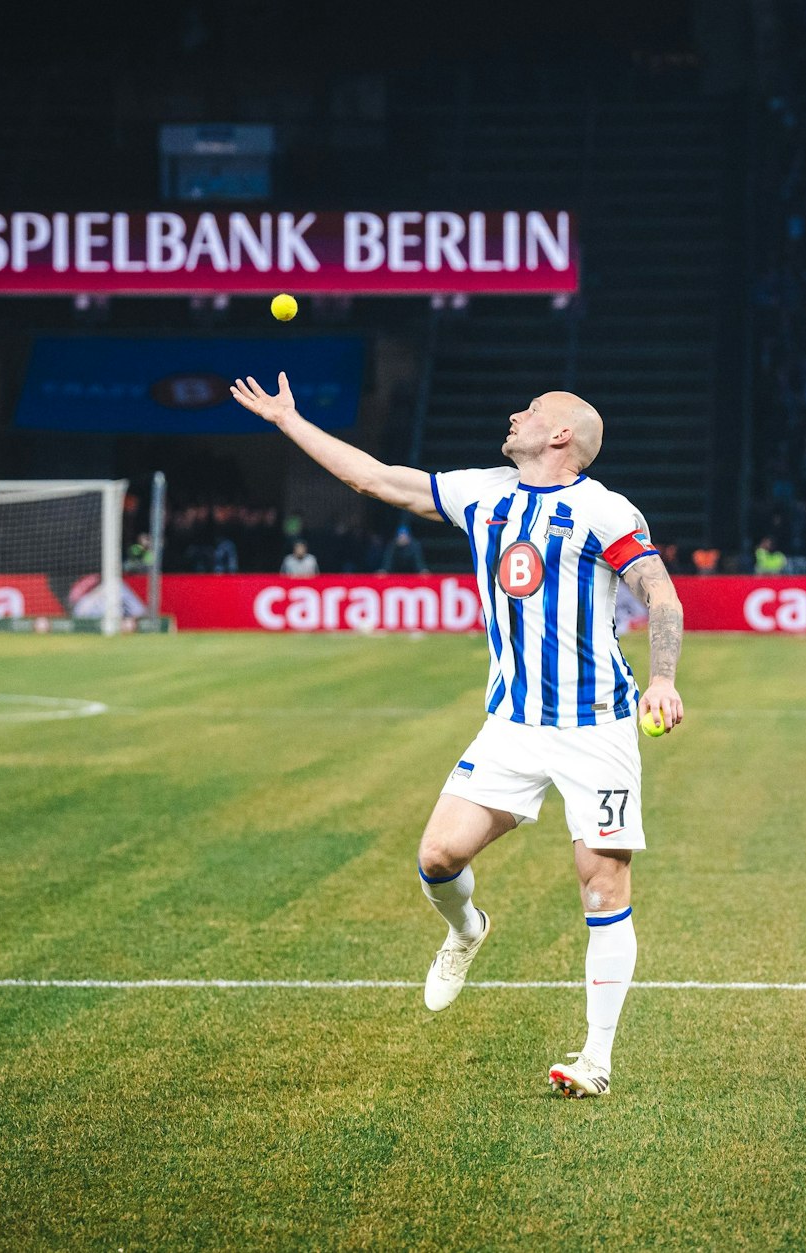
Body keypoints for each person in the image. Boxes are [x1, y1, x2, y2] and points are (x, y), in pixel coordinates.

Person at [231, 372, 685, 1099]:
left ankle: (595, 1058)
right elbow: (377, 479)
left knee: (603, 886)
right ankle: (467, 928)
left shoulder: (604, 511)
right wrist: (290, 421)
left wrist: (661, 678)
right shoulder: (483, 492)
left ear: (561, 434)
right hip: (511, 723)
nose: (516, 413)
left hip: (595, 725)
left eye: (532, 410)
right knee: (438, 854)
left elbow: (660, 591)